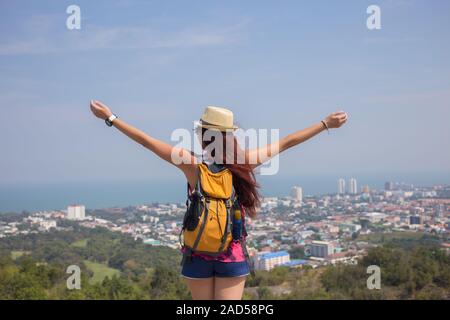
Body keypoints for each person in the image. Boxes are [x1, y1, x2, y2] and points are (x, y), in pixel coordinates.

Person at [90, 100, 348, 299]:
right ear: (229, 136)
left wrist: (111, 118)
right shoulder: (243, 163)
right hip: (232, 253)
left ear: (203, 136)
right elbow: (286, 142)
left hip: (197, 253)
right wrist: (325, 124)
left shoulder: (191, 164)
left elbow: (147, 142)